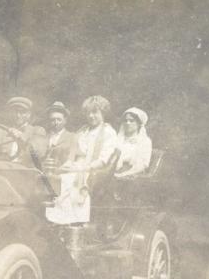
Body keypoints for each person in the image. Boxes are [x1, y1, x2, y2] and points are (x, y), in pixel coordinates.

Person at [46, 95, 118, 224]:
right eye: (88, 113)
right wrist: (68, 164)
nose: (91, 116)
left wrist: (81, 168)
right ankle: (54, 220)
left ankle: (71, 222)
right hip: (77, 167)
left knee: (66, 182)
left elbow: (103, 160)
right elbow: (75, 153)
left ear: (103, 113)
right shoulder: (83, 131)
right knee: (53, 178)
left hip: (95, 171)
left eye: (95, 112)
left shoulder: (108, 132)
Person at [4, 96, 47, 165]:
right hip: (1, 170)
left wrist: (21, 137)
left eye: (22, 112)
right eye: (15, 112)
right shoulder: (2, 132)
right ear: (10, 114)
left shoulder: (37, 131)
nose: (18, 115)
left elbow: (39, 153)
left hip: (26, 172)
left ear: (29, 114)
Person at [114, 107, 152, 178]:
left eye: (131, 121)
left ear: (139, 124)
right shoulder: (118, 139)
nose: (128, 123)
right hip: (114, 173)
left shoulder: (145, 141)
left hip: (133, 175)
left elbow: (142, 165)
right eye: (125, 120)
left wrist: (123, 175)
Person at [43, 101, 77, 167]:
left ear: (65, 120)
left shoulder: (72, 137)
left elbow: (71, 158)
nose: (56, 123)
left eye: (59, 119)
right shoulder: (45, 136)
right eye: (53, 120)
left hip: (62, 172)